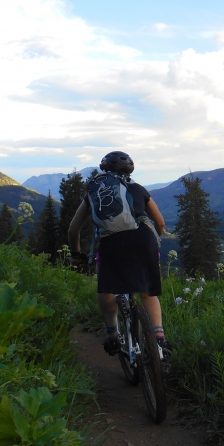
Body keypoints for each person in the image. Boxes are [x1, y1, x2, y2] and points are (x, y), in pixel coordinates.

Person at [68, 151, 167, 354]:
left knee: (106, 290)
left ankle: (113, 335)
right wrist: (154, 241)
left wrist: (77, 255)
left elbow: (73, 229)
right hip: (144, 241)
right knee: (147, 291)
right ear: (129, 170)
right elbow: (160, 222)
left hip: (111, 244)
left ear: (105, 171)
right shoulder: (138, 189)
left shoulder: (93, 194)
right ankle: (159, 338)